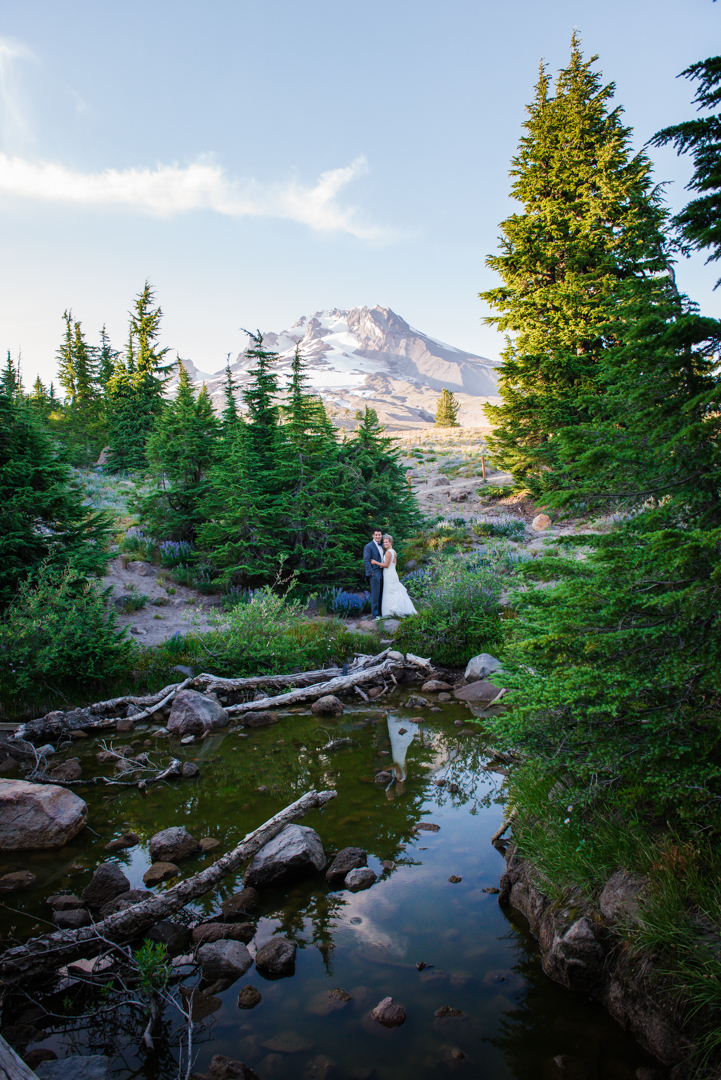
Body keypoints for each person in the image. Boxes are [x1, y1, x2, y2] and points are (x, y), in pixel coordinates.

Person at [374, 534, 417, 618]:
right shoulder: (393, 551)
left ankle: (392, 610)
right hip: (393, 573)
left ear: (391, 542)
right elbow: (394, 564)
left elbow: (386, 565)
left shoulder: (388, 552)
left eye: (386, 542)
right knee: (394, 590)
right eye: (384, 542)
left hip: (389, 574)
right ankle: (396, 609)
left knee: (390, 591)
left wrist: (375, 562)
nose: (385, 544)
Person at [363, 528, 385, 620]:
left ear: (381, 535)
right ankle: (375, 616)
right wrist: (372, 573)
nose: (378, 536)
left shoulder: (382, 545)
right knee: (375, 595)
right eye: (376, 534)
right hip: (375, 573)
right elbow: (366, 560)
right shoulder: (368, 546)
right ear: (373, 535)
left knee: (381, 594)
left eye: (379, 534)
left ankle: (380, 614)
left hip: (383, 573)